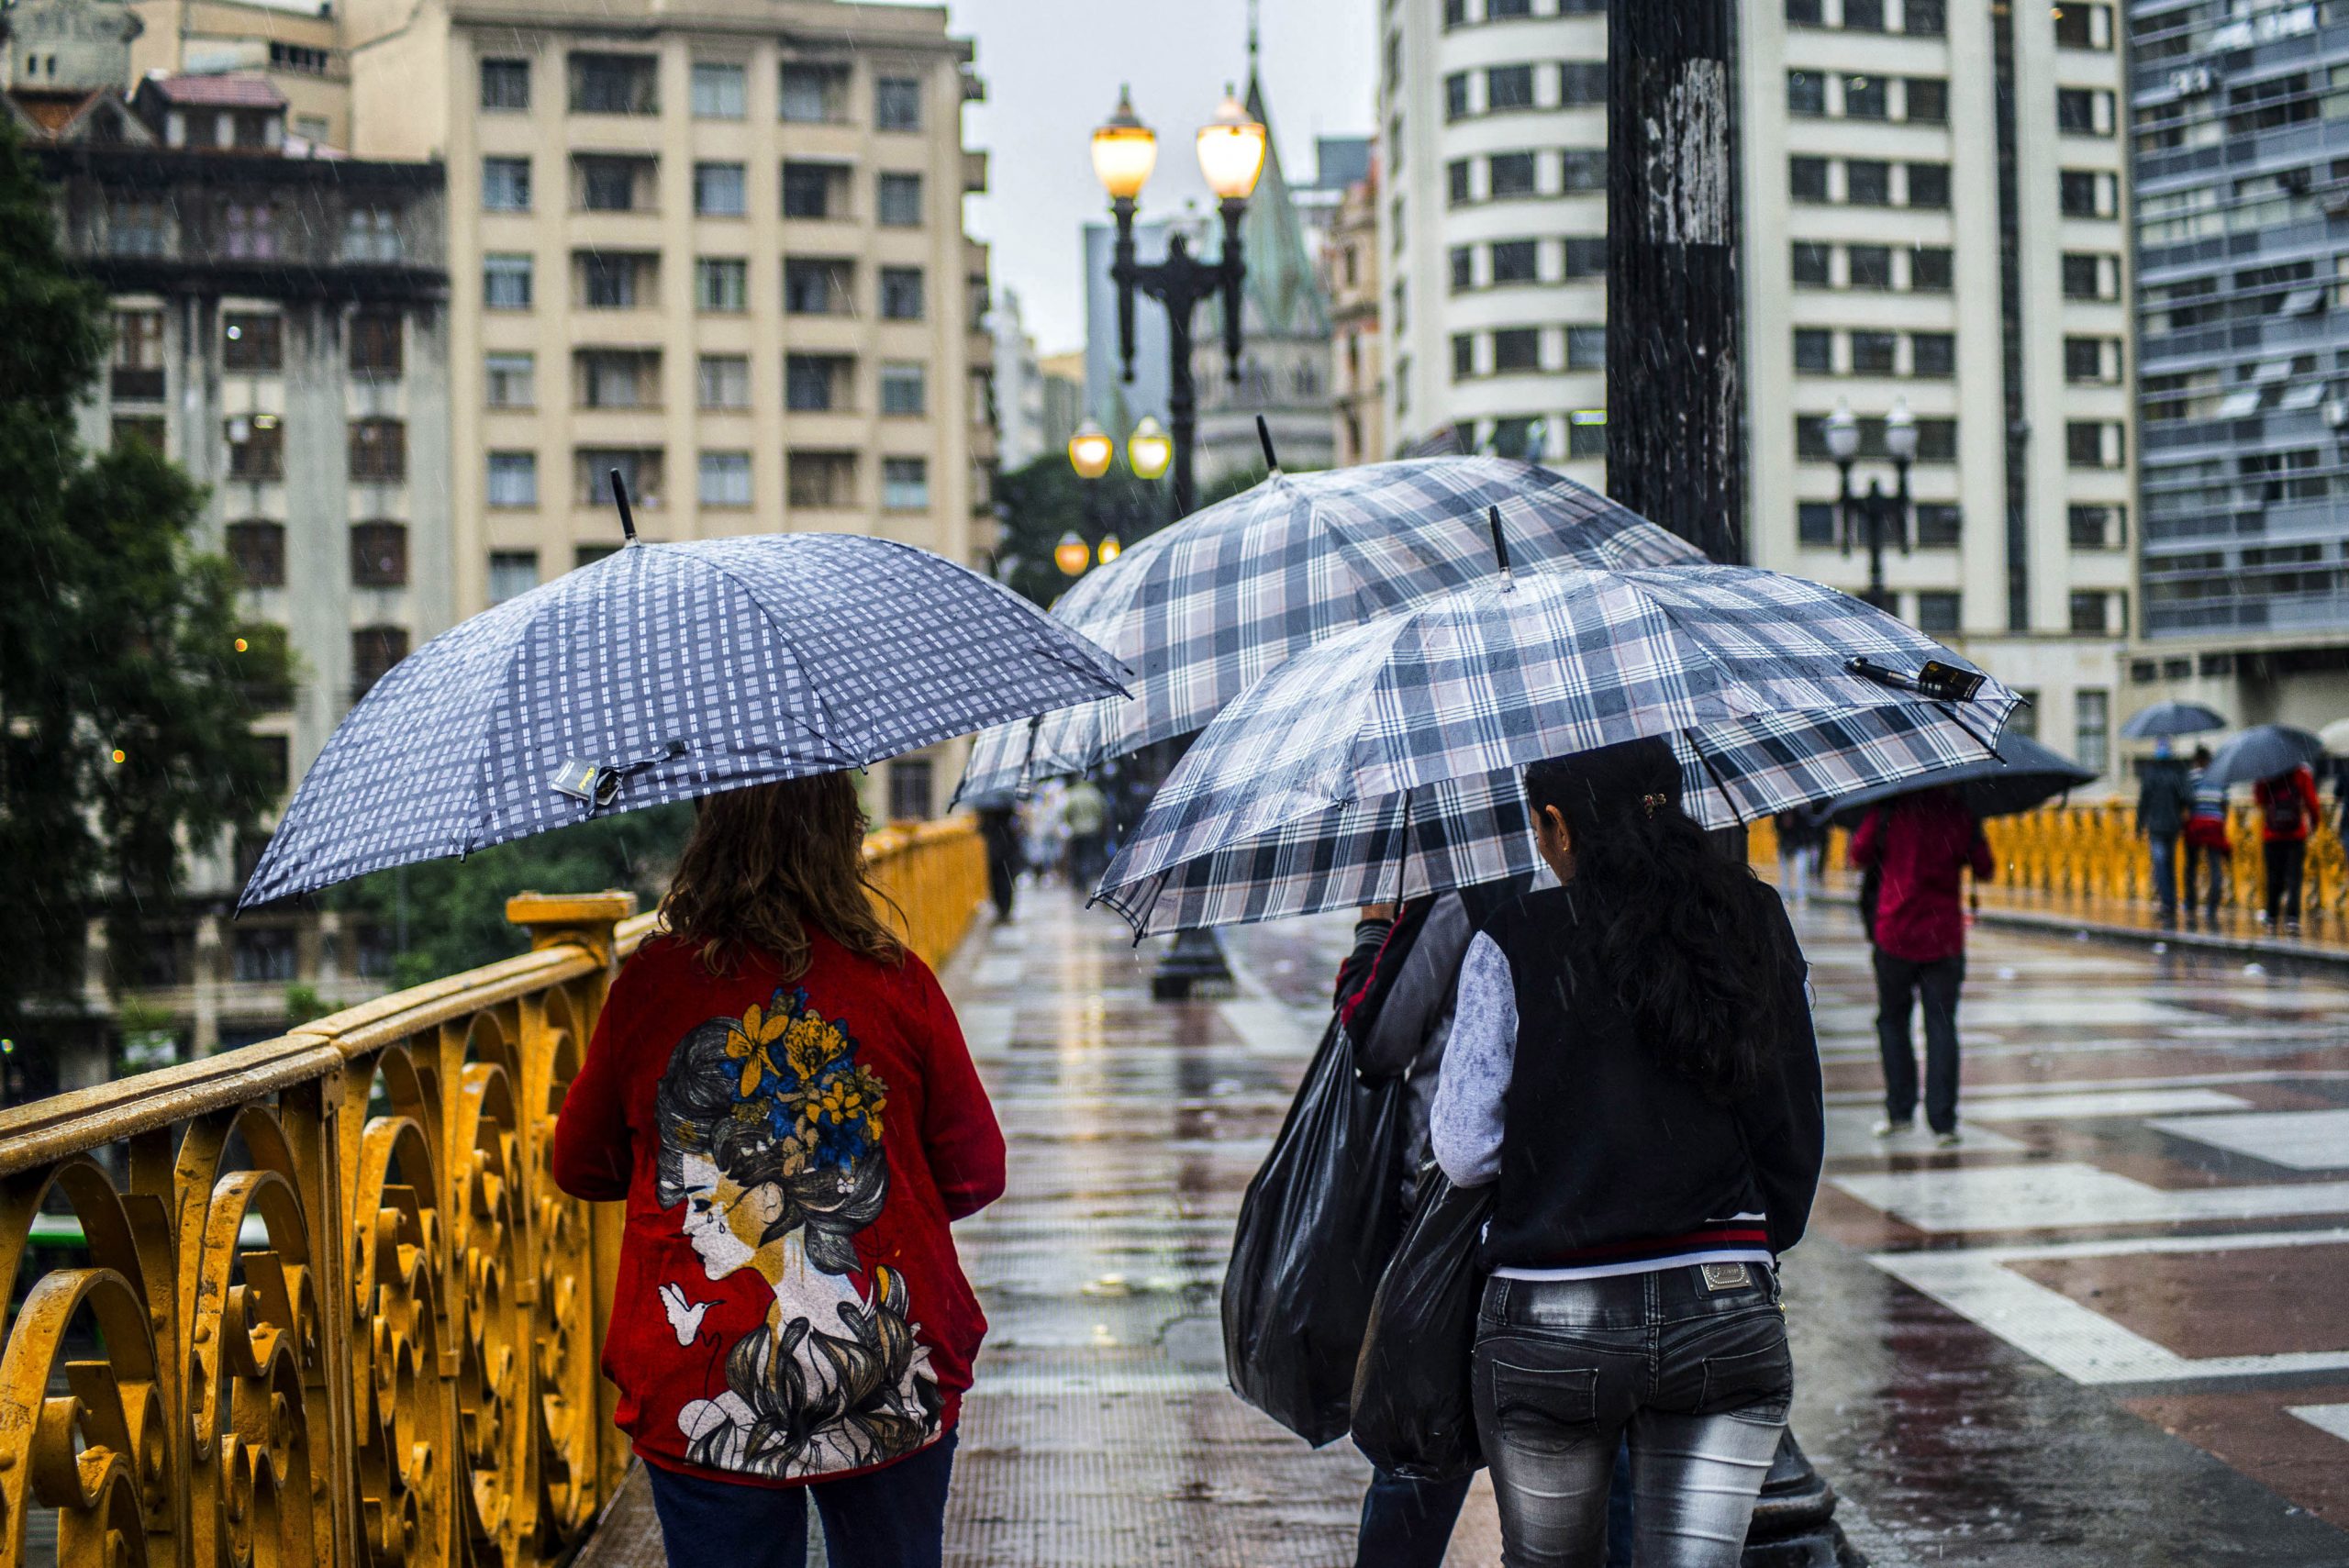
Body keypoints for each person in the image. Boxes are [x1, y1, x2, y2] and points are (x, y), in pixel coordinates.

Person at [551, 774, 1007, 1568]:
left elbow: (581, 1164)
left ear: (708, 834)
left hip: (692, 1374)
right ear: (841, 837)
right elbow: (975, 1171)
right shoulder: (897, 980)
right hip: (899, 1370)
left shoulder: (652, 985)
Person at [1431, 738, 1824, 1568]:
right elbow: (1793, 1127)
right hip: (1721, 1308)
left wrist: (1567, 1151)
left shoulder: (1514, 940)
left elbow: (1465, 1151)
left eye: (1540, 826)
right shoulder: (1749, 918)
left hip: (1551, 1319)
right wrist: (1745, 1235)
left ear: (1556, 824)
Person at [1849, 787, 1992, 1148]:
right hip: (1942, 936)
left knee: (1892, 1021)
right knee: (1941, 1027)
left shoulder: (1889, 806)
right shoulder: (1959, 810)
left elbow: (1859, 853)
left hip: (1894, 931)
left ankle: (1899, 1111)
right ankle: (1943, 1121)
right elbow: (1986, 867)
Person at [2255, 760, 2321, 934]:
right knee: (2294, 878)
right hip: (2295, 834)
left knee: (2273, 877)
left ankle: (2271, 916)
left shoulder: (2268, 774)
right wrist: (2314, 822)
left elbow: (2259, 799)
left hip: (2272, 833)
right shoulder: (2301, 773)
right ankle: (2292, 918)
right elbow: (2312, 802)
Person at [2136, 739, 2193, 928]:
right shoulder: (2177, 773)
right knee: (2167, 863)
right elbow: (2186, 797)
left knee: (2162, 863)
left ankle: (2168, 902)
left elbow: (2143, 802)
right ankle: (2169, 901)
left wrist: (2139, 825)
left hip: (2161, 826)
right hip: (2169, 825)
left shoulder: (2153, 774)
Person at [2182, 747, 2229, 928]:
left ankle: (2191, 905)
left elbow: (2187, 800)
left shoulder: (2191, 777)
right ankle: (2212, 907)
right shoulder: (2220, 778)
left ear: (2197, 760)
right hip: (2215, 825)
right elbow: (2225, 803)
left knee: (2191, 867)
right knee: (2215, 867)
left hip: (2196, 824)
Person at [974, 798, 1020, 924]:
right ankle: (1005, 909)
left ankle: (1001, 909)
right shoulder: (1008, 809)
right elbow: (1015, 828)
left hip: (994, 850)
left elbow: (983, 829)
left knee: (996, 879)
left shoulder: (986, 811)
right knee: (1006, 878)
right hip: (1007, 849)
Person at [1061, 776, 1108, 889]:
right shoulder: (1094, 793)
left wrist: (1071, 823)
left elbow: (1067, 812)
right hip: (1092, 830)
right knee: (1089, 856)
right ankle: (1088, 877)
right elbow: (1101, 811)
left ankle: (1080, 881)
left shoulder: (1072, 794)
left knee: (1077, 856)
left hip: (1077, 831)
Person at [1774, 809, 1824, 906]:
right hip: (1786, 844)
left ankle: (1801, 897)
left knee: (1801, 873)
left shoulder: (1802, 812)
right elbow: (1777, 827)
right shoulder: (1779, 814)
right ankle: (1786, 897)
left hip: (1800, 844)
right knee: (1785, 874)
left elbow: (1809, 827)